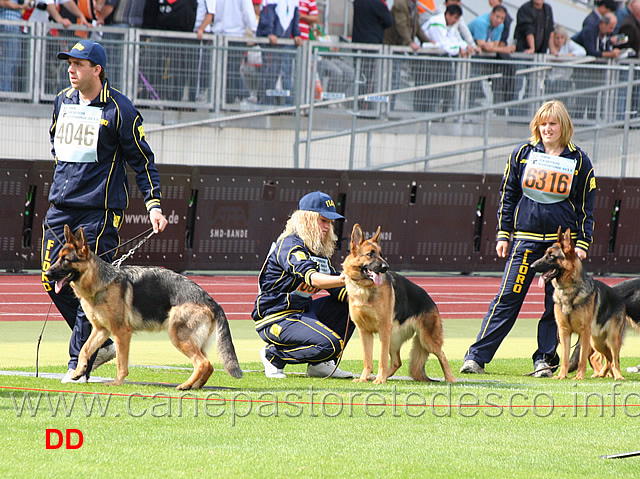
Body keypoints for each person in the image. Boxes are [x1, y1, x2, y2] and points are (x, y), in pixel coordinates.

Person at [41, 40, 169, 383]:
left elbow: (143, 163)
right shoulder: (61, 102)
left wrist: (153, 205)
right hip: (60, 207)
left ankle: (78, 362)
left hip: (99, 212)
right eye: (69, 63)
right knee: (50, 278)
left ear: (97, 70)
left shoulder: (121, 110)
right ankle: (103, 343)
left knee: (93, 286)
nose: (71, 69)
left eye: (79, 64)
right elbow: (56, 144)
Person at [460, 100, 596, 377]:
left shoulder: (579, 160)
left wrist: (582, 243)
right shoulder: (522, 154)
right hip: (525, 240)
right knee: (507, 297)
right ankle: (476, 357)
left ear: (564, 126)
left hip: (560, 249)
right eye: (543, 123)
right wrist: (503, 233)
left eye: (553, 123)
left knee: (555, 305)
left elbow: (586, 206)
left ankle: (545, 360)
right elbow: (508, 196)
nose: (547, 128)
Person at [253, 191, 353, 379]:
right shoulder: (290, 245)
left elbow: (337, 289)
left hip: (301, 311)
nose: (327, 227)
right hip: (276, 316)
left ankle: (319, 364)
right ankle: (273, 356)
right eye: (323, 221)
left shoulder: (317, 251)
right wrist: (346, 278)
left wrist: (366, 297)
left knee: (355, 306)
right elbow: (313, 278)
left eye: (329, 222)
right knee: (330, 344)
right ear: (306, 219)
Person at [209, 0, 257, 104]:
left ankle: (217, 100)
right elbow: (248, 12)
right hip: (235, 36)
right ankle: (228, 101)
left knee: (218, 70)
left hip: (218, 35)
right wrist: (255, 30)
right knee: (232, 71)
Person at [256, 0, 302, 105]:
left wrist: (296, 34)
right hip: (272, 42)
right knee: (269, 71)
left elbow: (294, 17)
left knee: (278, 72)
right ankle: (264, 101)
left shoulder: (294, 2)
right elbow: (268, 15)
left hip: (282, 40)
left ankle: (274, 102)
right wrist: (269, 33)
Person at [0, 1, 25, 92]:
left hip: (16, 25)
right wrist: (20, 6)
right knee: (8, 61)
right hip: (8, 25)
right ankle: (4, 91)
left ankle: (7, 90)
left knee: (15, 61)